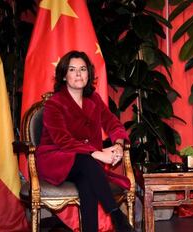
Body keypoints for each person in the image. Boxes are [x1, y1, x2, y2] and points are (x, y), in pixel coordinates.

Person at [35, 50, 134, 232]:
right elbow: (63, 140)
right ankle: (117, 216)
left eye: (82, 69)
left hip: (84, 163)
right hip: (56, 160)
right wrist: (98, 153)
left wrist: (119, 144)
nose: (78, 74)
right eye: (72, 70)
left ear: (89, 74)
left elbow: (112, 123)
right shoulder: (54, 104)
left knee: (87, 179)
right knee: (87, 162)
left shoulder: (93, 99)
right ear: (64, 76)